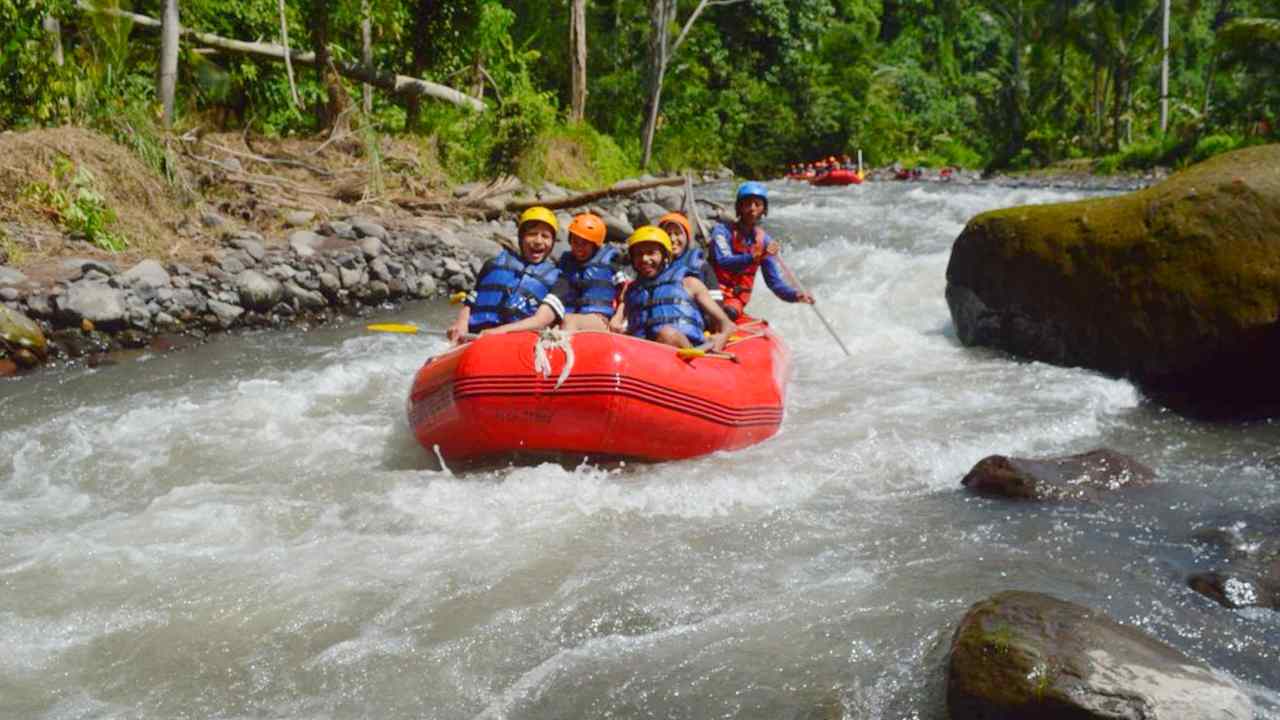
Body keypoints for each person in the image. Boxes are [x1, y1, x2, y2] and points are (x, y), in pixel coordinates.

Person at [476, 212, 626, 336]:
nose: (579, 248)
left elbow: (625, 291)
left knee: (569, 321)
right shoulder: (565, 265)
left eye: (585, 243)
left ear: (595, 245)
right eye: (575, 242)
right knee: (556, 327)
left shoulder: (609, 264)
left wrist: (617, 318)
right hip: (573, 317)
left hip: (599, 319)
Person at [446, 206, 561, 343]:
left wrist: (499, 332)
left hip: (516, 343)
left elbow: (541, 320)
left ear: (553, 243)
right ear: (521, 237)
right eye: (532, 234)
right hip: (475, 338)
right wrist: (460, 323)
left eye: (545, 236)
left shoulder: (559, 280)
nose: (538, 241)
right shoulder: (493, 265)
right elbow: (471, 301)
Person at [612, 226, 732, 351]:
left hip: (686, 354)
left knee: (667, 335)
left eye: (651, 253)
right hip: (643, 355)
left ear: (665, 256)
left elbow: (727, 324)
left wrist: (721, 339)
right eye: (638, 254)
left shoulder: (689, 284)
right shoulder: (631, 291)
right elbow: (616, 324)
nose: (644, 259)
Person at [709, 181, 813, 322]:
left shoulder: (764, 241)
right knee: (709, 314)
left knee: (729, 313)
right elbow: (724, 261)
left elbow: (774, 283)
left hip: (734, 301)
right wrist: (754, 257)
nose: (752, 209)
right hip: (712, 291)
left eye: (757, 204)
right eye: (747, 204)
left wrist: (795, 295)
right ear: (739, 207)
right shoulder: (722, 231)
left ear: (764, 209)